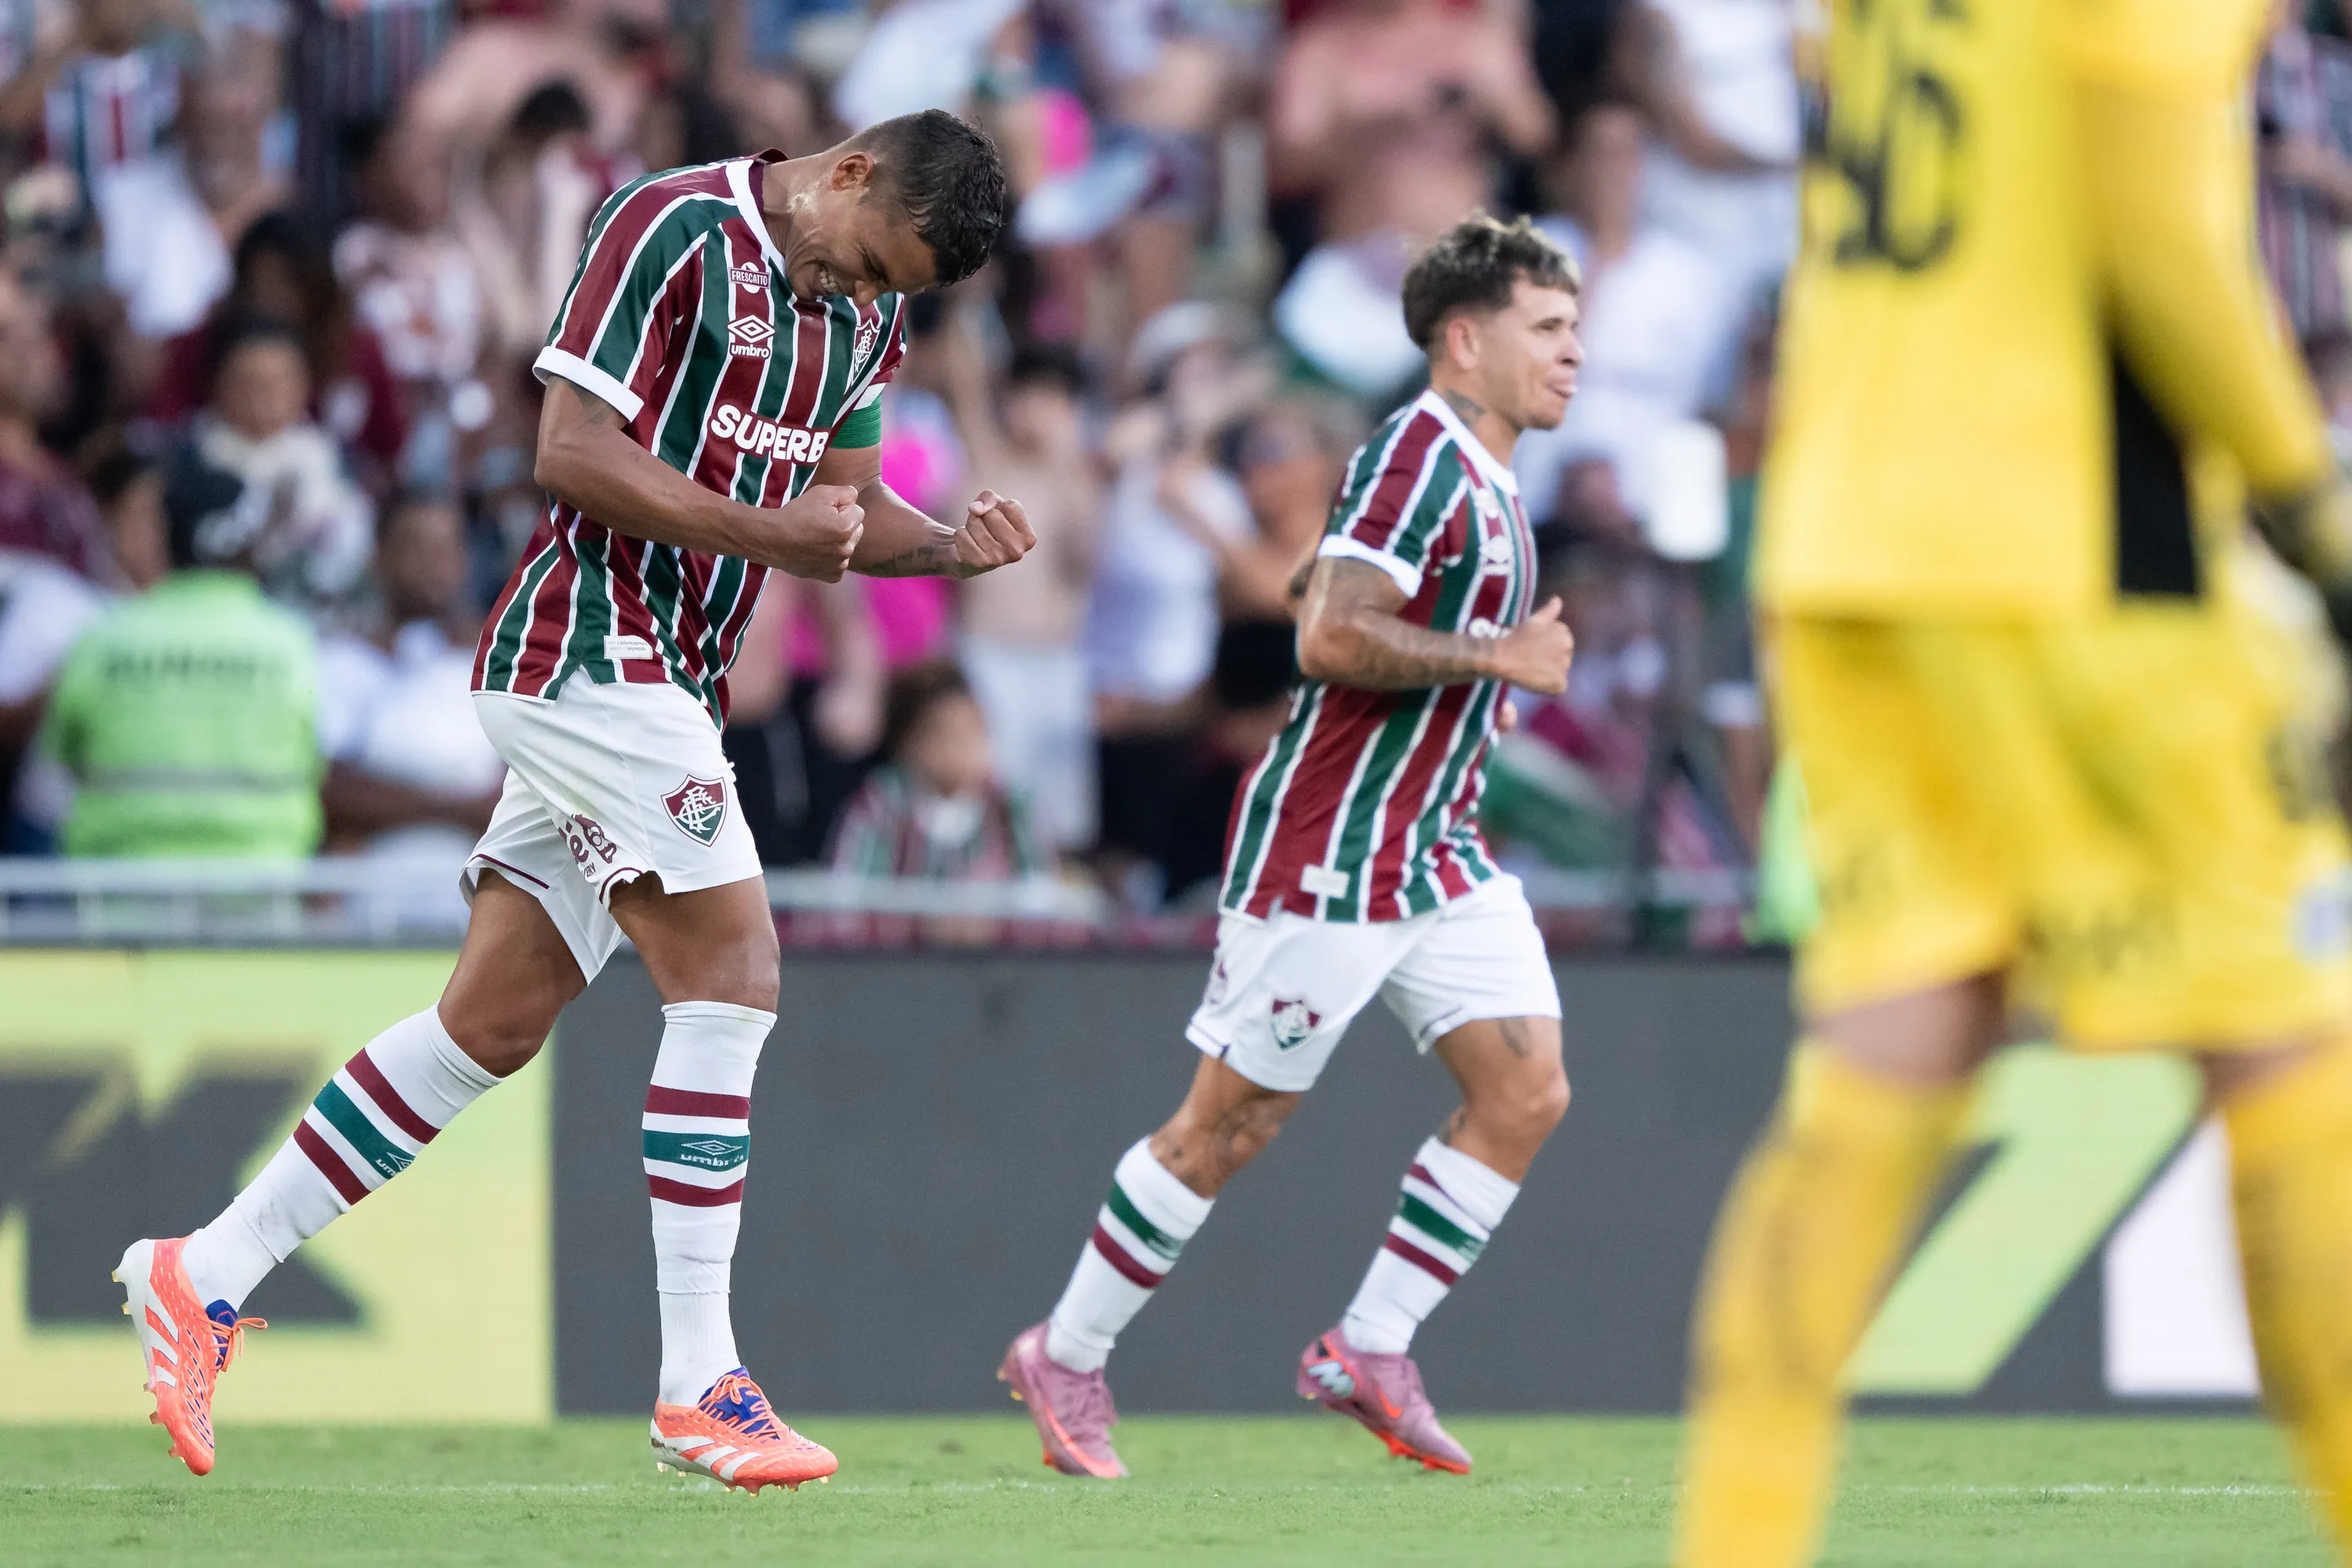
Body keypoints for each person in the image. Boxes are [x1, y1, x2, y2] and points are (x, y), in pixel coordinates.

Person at [113, 109, 1026, 1490]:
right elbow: (571, 453)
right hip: (587, 650)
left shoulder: (863, 326)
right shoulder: (674, 227)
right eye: (875, 262)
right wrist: (771, 534)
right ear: (846, 172)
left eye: (901, 289)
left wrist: (947, 549)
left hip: (670, 683)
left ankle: (206, 1268)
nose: (872, 295)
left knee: (490, 1023)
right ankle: (695, 1384)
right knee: (734, 965)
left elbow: (845, 508)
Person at [1671, 5, 2352, 1565]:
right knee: (2289, 1050)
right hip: (2075, 541)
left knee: (1885, 1060)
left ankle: (1735, 1540)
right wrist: (2311, 511)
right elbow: (2158, 229)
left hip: (1852, 531)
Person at [998, 212, 1581, 1479]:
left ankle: (1370, 1346)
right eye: (1548, 328)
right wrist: (1499, 657)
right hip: (1335, 848)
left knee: (1526, 1090)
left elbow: (1316, 586)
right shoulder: (1423, 454)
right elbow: (1326, 635)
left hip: (1435, 847)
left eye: (1576, 330)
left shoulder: (1479, 470)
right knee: (1226, 1130)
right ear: (1467, 338)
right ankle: (1069, 1355)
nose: (1572, 354)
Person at [40, 457, 321, 858]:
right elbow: (314, 759)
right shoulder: (293, 641)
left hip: (117, 896)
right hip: (260, 892)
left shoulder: (102, 638)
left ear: (166, 534)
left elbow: (62, 753)